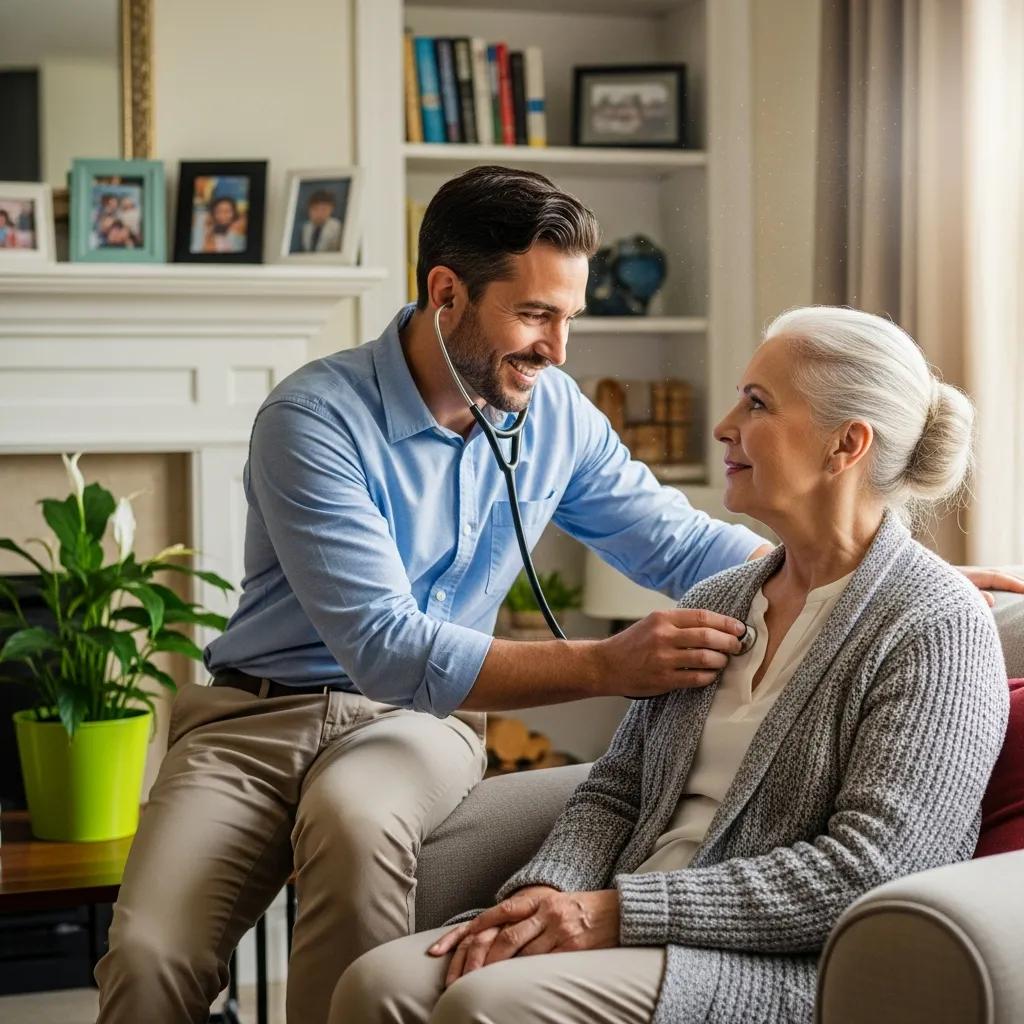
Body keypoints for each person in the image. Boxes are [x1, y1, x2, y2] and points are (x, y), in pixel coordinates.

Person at [94, 166, 1019, 1024]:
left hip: (405, 725)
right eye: (536, 314)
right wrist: (608, 664)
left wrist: (855, 577)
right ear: (446, 292)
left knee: (357, 819)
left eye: (569, 316)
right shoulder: (312, 420)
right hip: (257, 718)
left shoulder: (555, 411)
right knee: (145, 957)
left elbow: (672, 537)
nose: (559, 347)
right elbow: (386, 642)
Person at [333, 305, 1014, 1024]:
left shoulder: (935, 626)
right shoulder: (720, 598)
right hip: (618, 917)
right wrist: (547, 891)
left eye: (757, 404)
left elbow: (873, 870)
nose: (724, 425)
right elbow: (617, 792)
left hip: (765, 963)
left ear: (845, 445)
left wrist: (614, 913)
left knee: (485, 1004)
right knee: (376, 984)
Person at [299, 188, 344, 252]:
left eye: (324, 209)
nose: (319, 214)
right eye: (315, 209)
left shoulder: (338, 227)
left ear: (332, 210)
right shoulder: (306, 227)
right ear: (309, 209)